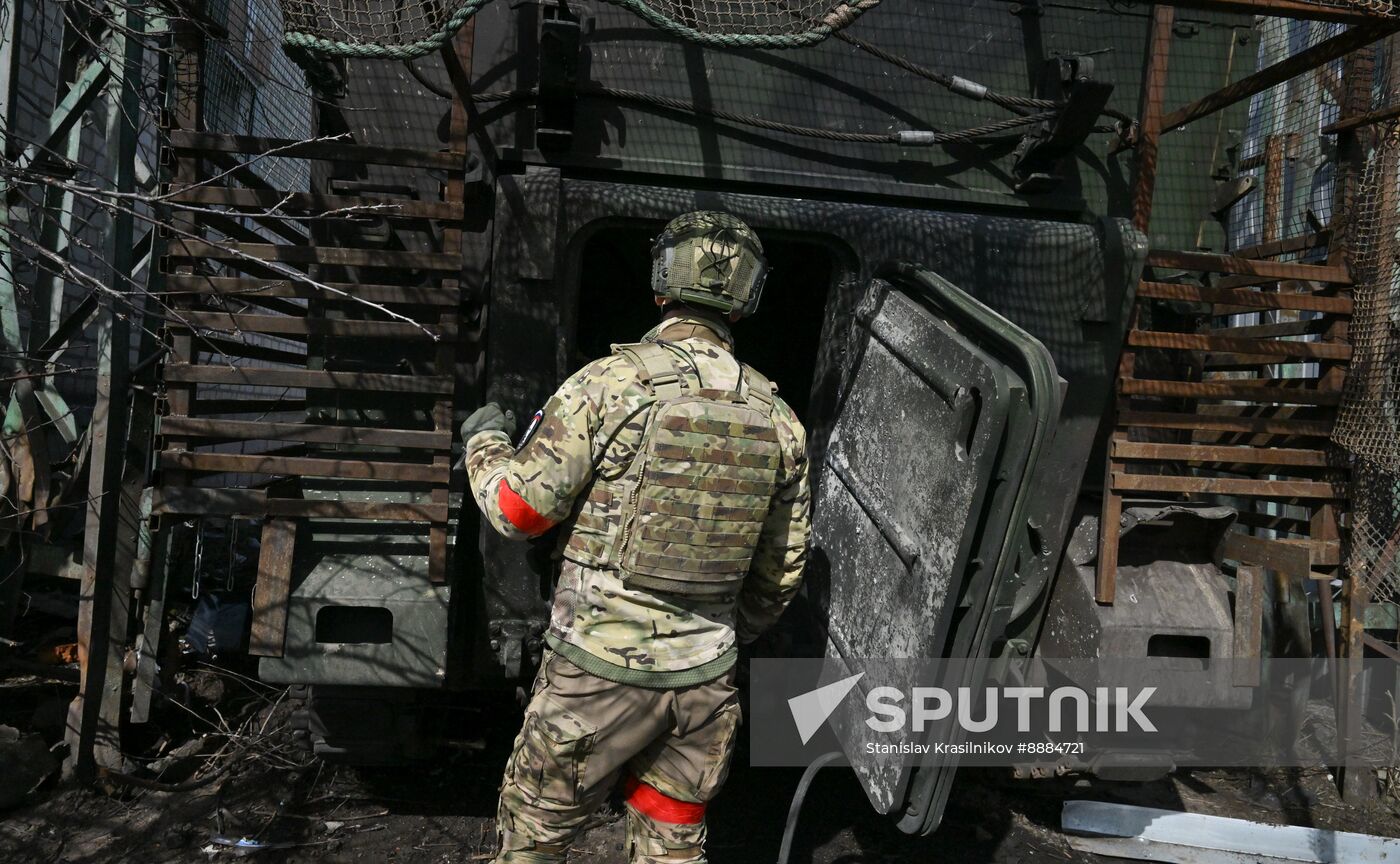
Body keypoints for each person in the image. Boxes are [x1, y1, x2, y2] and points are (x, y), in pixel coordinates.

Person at [459, 211, 811, 863]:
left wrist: (484, 443)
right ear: (747, 301)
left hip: (595, 676)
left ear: (660, 286)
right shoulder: (778, 418)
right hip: (703, 688)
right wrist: (719, 632)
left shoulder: (609, 386)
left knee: (535, 838)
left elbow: (519, 512)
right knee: (671, 841)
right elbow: (780, 572)